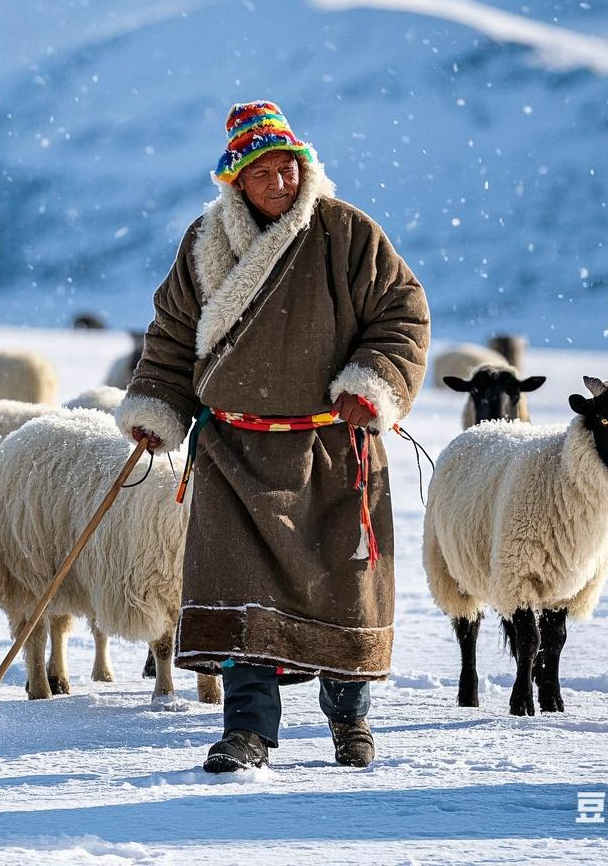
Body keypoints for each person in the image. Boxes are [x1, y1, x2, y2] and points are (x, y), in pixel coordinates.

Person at [115, 101, 430, 771]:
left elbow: (402, 312)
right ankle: (247, 731)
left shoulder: (347, 234)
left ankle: (351, 726)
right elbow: (173, 336)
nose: (282, 183)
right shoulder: (205, 245)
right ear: (236, 180)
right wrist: (156, 408)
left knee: (344, 589)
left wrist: (371, 380)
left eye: (291, 168)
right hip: (235, 452)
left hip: (332, 447)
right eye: (265, 173)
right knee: (236, 596)